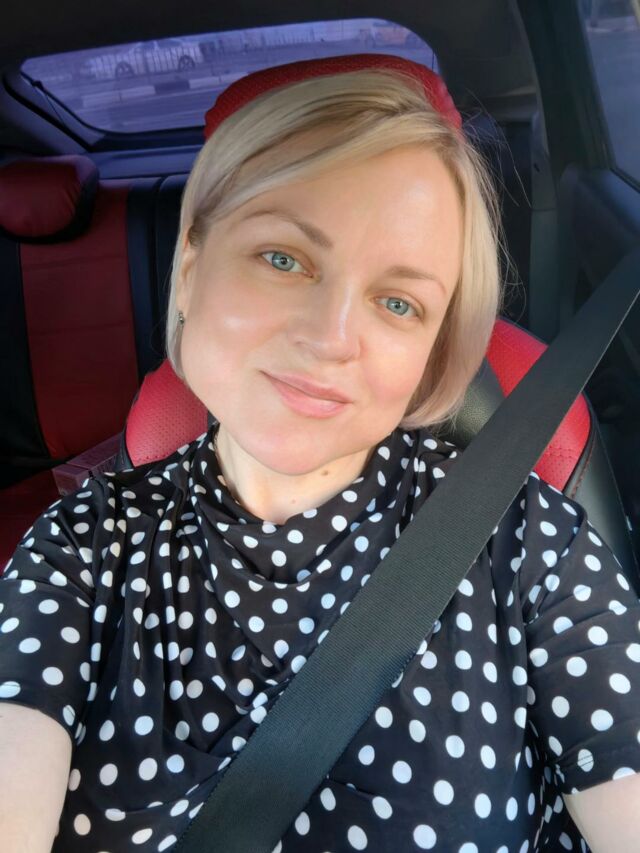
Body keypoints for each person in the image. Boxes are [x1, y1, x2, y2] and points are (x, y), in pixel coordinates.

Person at [0, 53, 639, 853]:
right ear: (191, 268)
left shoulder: (525, 540)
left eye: (398, 302)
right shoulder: (83, 546)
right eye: (283, 258)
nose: (331, 338)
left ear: (430, 354)